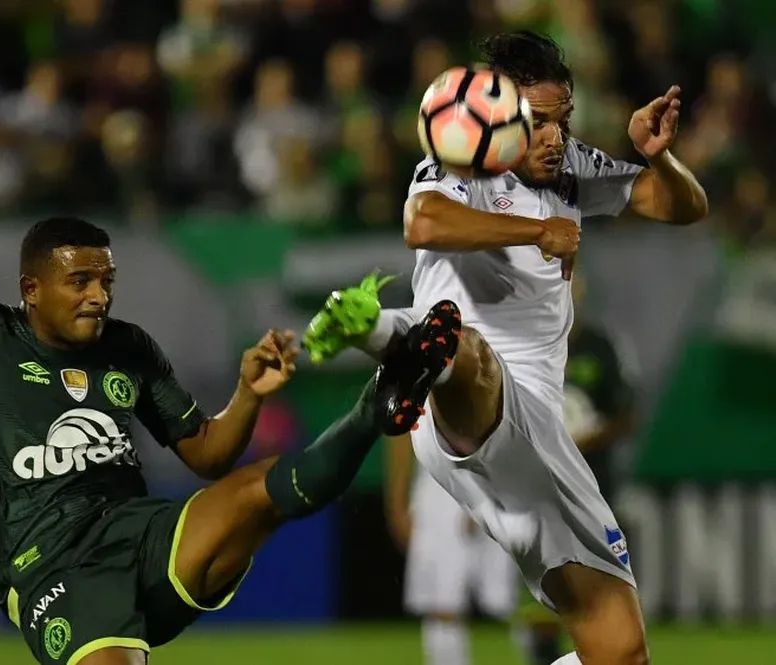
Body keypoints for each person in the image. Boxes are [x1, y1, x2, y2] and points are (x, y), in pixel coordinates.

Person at [0, 122, 433, 665]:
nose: (98, 295)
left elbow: (207, 455)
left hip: (139, 533)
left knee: (255, 489)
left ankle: (378, 399)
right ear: (31, 289)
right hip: (51, 563)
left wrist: (248, 394)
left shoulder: (129, 346)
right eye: (80, 281)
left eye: (106, 280)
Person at [303, 31, 708, 665]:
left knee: (620, 651)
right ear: (500, 116)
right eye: (540, 122)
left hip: (537, 429)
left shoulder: (571, 166)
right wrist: (536, 230)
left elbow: (684, 207)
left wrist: (657, 157)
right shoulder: (461, 163)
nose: (555, 137)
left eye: (563, 119)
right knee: (466, 346)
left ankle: (387, 333)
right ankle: (395, 338)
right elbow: (423, 222)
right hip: (468, 400)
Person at [517, 271, 639, 665]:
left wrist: (584, 438)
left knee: (596, 590)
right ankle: (544, 651)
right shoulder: (526, 349)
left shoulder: (601, 347)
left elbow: (626, 415)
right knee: (546, 586)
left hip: (594, 485)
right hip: (537, 486)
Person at [385, 433, 517, 665]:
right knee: (442, 605)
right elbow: (400, 432)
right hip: (441, 490)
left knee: (518, 604)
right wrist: (396, 502)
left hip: (497, 480)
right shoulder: (413, 399)